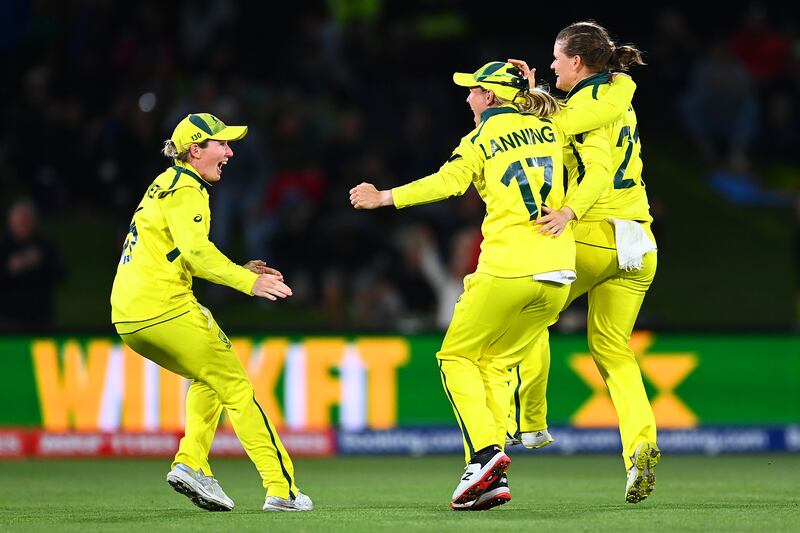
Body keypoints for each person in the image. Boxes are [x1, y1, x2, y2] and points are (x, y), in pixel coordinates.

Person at [350, 61, 635, 511]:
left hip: (507, 270)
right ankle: (490, 479)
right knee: (495, 363)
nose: (468, 98)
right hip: (560, 272)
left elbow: (448, 183)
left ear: (490, 97)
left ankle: (485, 455)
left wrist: (385, 197)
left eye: (474, 90)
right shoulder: (551, 126)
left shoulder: (480, 139)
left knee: (454, 357)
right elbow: (589, 163)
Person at [110, 113, 312, 513]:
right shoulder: (188, 189)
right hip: (165, 307)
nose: (230, 151)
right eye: (221, 144)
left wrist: (240, 268)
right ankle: (282, 490)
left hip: (128, 314)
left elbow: (172, 249)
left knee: (208, 379)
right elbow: (196, 252)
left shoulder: (163, 184)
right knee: (237, 388)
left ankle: (191, 463)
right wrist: (246, 282)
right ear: (195, 149)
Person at [505, 21, 661, 505]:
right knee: (615, 351)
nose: (551, 65)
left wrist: (570, 211)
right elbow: (563, 115)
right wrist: (534, 94)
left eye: (556, 58)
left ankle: (528, 422)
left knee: (527, 314)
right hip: (640, 241)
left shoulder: (589, 110)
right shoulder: (613, 95)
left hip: (595, 233)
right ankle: (640, 445)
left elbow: (585, 161)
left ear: (577, 61)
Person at [0, 199, 65, 329]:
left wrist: (39, 263)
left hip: (40, 318)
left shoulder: (45, 246)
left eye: (27, 221)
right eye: (20, 222)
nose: (23, 225)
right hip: (9, 320)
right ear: (10, 222)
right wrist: (11, 268)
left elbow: (60, 273)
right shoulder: (4, 247)